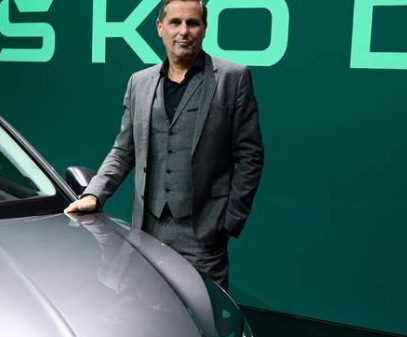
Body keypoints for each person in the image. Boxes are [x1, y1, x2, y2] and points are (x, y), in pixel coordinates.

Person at [64, 0, 264, 290]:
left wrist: (229, 222)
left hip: (204, 235)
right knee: (147, 304)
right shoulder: (139, 83)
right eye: (175, 22)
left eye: (192, 23)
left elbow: (250, 155)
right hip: (147, 231)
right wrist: (95, 193)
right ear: (160, 27)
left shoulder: (233, 78)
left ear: (204, 28)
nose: (184, 31)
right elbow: (124, 149)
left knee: (205, 311)